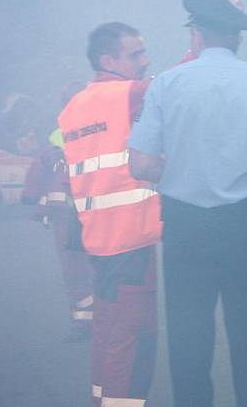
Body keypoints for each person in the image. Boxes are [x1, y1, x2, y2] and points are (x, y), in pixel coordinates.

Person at [128, 0, 247, 407]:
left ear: (196, 34)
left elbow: (140, 164)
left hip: (187, 232)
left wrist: (182, 167)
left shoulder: (166, 85)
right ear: (238, 37)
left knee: (190, 344)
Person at [58, 22, 160, 407]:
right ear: (107, 60)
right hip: (130, 239)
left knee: (109, 336)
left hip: (100, 238)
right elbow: (179, 86)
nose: (145, 61)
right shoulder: (125, 93)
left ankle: (103, 400)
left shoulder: (73, 107)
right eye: (135, 54)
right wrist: (203, 44)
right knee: (132, 345)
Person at [22, 118, 93, 343]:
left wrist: (32, 198)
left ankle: (83, 323)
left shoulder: (51, 150)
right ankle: (110, 320)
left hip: (65, 220)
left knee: (75, 273)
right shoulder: (98, 136)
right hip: (96, 215)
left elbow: (32, 188)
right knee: (106, 268)